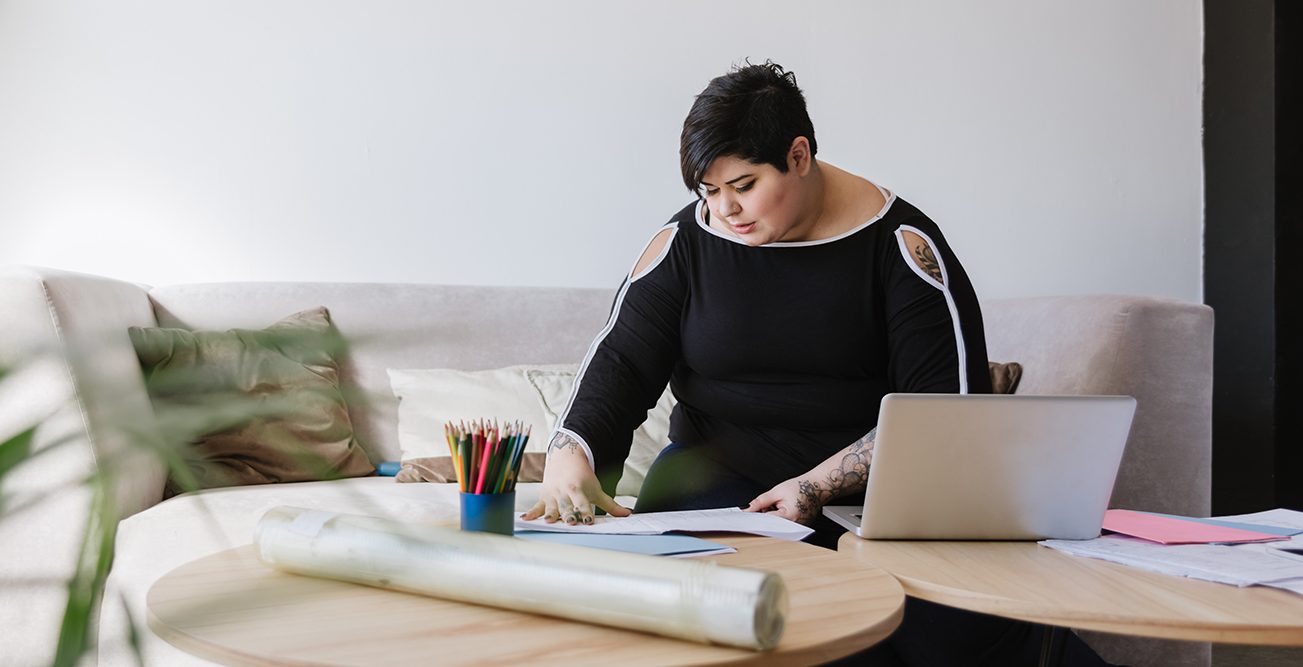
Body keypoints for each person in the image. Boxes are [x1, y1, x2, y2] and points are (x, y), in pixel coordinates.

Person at [522, 61, 1110, 666]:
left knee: (936, 632)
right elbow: (620, 357)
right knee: (677, 619)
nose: (724, 210)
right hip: (712, 483)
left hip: (868, 503)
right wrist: (573, 453)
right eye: (708, 191)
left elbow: (946, 418)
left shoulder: (904, 248)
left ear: (798, 156)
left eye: (744, 186)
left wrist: (814, 486)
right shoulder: (687, 242)